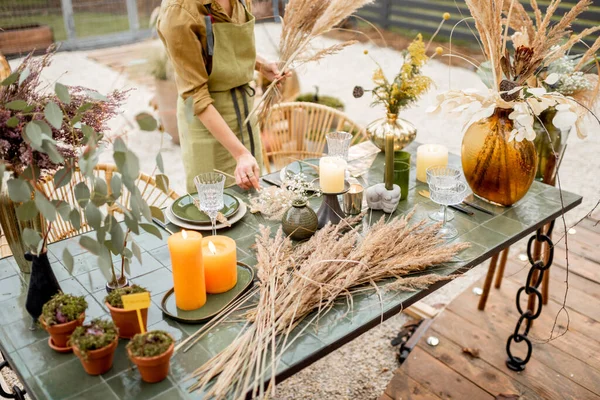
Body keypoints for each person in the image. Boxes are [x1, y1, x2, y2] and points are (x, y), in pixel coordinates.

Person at [157, 0, 289, 192]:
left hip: (245, 116)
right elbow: (196, 96)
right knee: (216, 209)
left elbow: (228, 49)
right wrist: (240, 154)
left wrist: (261, 64)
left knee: (252, 201)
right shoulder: (178, 11)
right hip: (207, 124)